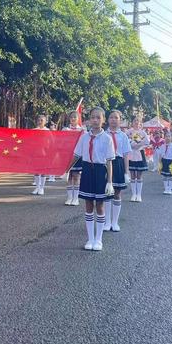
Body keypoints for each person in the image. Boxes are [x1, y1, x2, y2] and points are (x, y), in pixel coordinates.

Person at [73, 107, 114, 251]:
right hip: (87, 170)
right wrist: (65, 170)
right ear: (89, 119)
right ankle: (90, 238)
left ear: (103, 120)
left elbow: (109, 162)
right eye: (93, 117)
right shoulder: (84, 137)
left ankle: (99, 239)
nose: (95, 120)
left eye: (98, 117)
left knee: (100, 206)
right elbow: (76, 155)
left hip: (99, 171)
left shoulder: (107, 138)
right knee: (88, 205)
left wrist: (109, 181)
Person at [104, 110, 131, 231]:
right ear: (107, 119)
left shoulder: (123, 136)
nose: (113, 120)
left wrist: (126, 172)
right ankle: (107, 222)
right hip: (106, 163)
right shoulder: (104, 134)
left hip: (119, 163)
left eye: (116, 118)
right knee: (106, 192)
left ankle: (115, 222)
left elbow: (126, 154)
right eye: (111, 117)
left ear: (120, 120)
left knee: (117, 193)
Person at [63, 111, 85, 206]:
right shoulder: (65, 130)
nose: (73, 119)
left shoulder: (82, 130)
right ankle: (69, 198)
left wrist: (83, 131)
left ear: (78, 119)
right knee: (69, 177)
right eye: (71, 117)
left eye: (75, 117)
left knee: (76, 176)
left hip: (77, 156)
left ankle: (76, 198)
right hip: (67, 156)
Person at [126, 116, 149, 202]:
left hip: (139, 153)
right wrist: (131, 143)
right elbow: (125, 141)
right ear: (132, 122)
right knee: (132, 174)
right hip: (131, 153)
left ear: (140, 123)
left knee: (139, 175)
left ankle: (139, 195)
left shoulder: (143, 133)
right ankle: (133, 194)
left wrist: (140, 146)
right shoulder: (129, 132)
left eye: (138, 121)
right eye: (135, 120)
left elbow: (147, 143)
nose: (136, 122)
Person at [32, 115, 49, 196]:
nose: (40, 121)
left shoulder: (47, 131)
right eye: (38, 120)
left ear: (45, 121)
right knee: (36, 171)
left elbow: (51, 142)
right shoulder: (34, 130)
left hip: (44, 153)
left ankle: (42, 187)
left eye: (42, 120)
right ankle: (37, 187)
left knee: (43, 171)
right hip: (35, 153)